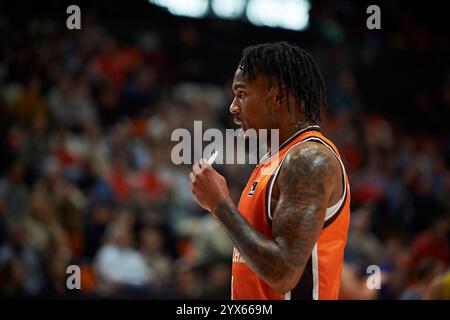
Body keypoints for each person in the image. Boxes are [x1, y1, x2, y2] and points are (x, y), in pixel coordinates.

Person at [189, 42, 351, 300]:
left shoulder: (309, 161)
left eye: (241, 94)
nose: (232, 107)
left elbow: (284, 274)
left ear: (278, 97)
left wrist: (219, 204)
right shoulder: (273, 160)